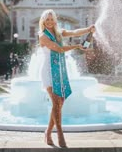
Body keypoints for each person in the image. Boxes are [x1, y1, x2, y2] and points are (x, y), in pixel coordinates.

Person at [38, 9, 96, 147]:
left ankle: (47, 132)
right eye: (47, 19)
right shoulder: (42, 36)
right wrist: (77, 46)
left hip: (60, 70)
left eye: (52, 19)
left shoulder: (58, 32)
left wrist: (89, 29)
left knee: (60, 102)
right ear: (43, 21)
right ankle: (60, 134)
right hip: (48, 71)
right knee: (56, 101)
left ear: (55, 20)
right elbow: (58, 49)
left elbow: (74, 32)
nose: (50, 22)